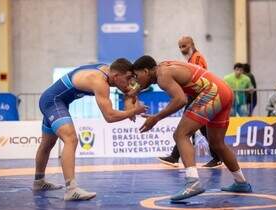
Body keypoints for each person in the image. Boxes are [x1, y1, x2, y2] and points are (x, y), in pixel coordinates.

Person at [132, 55, 252, 201]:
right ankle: (241, 182)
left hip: (212, 92)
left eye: (137, 77)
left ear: (146, 71)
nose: (136, 81)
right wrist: (135, 90)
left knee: (180, 135)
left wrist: (156, 117)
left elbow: (180, 100)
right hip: (224, 91)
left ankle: (192, 183)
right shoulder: (164, 67)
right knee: (217, 144)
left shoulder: (162, 76)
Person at [33, 58, 147, 201]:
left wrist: (130, 102)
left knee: (47, 144)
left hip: (54, 100)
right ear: (117, 76)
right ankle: (71, 190)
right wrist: (133, 112)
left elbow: (129, 90)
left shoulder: (111, 72)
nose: (130, 82)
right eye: (128, 78)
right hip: (53, 102)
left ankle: (39, 181)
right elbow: (109, 116)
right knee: (71, 139)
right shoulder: (99, 81)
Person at [158, 36, 222, 168]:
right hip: (196, 96)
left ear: (192, 44)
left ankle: (175, 157)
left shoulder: (197, 58)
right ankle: (217, 157)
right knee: (200, 129)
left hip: (198, 96)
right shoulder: (191, 58)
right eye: (180, 47)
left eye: (184, 46)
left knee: (185, 128)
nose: (182, 49)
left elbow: (198, 77)